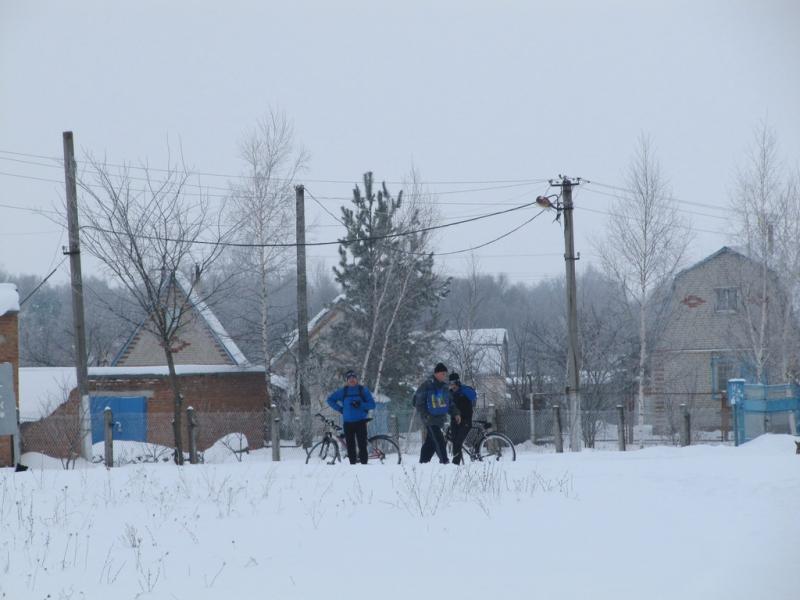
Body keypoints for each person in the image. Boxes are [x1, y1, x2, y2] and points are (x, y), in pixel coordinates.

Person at [413, 362, 460, 464]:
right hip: (429, 419)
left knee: (430, 443)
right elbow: (418, 402)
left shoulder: (444, 387)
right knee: (439, 441)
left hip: (440, 419)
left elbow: (449, 403)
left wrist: (456, 413)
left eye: (445, 374)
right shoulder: (427, 385)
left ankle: (423, 463)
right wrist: (426, 415)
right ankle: (445, 462)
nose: (445, 376)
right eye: (443, 373)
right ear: (436, 373)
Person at [326, 370, 376, 464]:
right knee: (350, 446)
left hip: (360, 422)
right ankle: (353, 467)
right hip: (348, 423)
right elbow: (330, 400)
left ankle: (364, 467)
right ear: (347, 380)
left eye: (354, 378)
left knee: (362, 445)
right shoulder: (343, 391)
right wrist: (340, 409)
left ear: (356, 379)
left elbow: (372, 405)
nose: (352, 380)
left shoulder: (362, 390)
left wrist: (360, 404)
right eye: (349, 378)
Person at [448, 372, 477, 465]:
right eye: (450, 384)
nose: (452, 386)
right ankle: (457, 465)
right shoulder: (450, 394)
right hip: (454, 421)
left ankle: (455, 465)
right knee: (455, 444)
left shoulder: (464, 391)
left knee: (457, 443)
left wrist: (462, 389)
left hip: (466, 421)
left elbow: (473, 396)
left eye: (453, 383)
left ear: (457, 382)